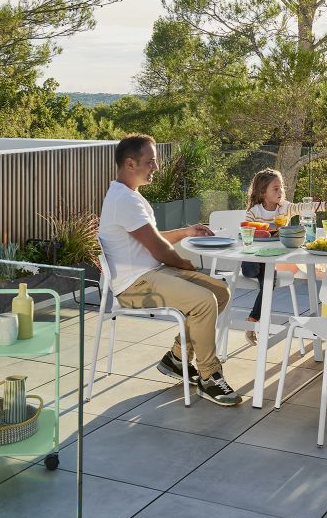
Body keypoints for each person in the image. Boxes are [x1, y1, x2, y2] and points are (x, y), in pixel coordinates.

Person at [98, 133, 242, 407]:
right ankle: (209, 376)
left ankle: (177, 358)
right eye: (150, 162)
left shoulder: (129, 196)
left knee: (219, 292)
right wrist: (186, 265)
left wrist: (186, 231)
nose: (156, 167)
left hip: (151, 274)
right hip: (134, 287)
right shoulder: (124, 200)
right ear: (130, 164)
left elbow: (149, 236)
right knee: (203, 300)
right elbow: (159, 249)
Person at [242, 168, 327, 344]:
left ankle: (252, 320)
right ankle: (253, 322)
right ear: (262, 192)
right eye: (275, 188)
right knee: (261, 275)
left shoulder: (285, 208)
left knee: (268, 283)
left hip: (271, 260)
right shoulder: (254, 212)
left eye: (281, 187)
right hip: (253, 260)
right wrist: (270, 227)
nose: (280, 191)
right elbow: (248, 232)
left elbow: (303, 207)